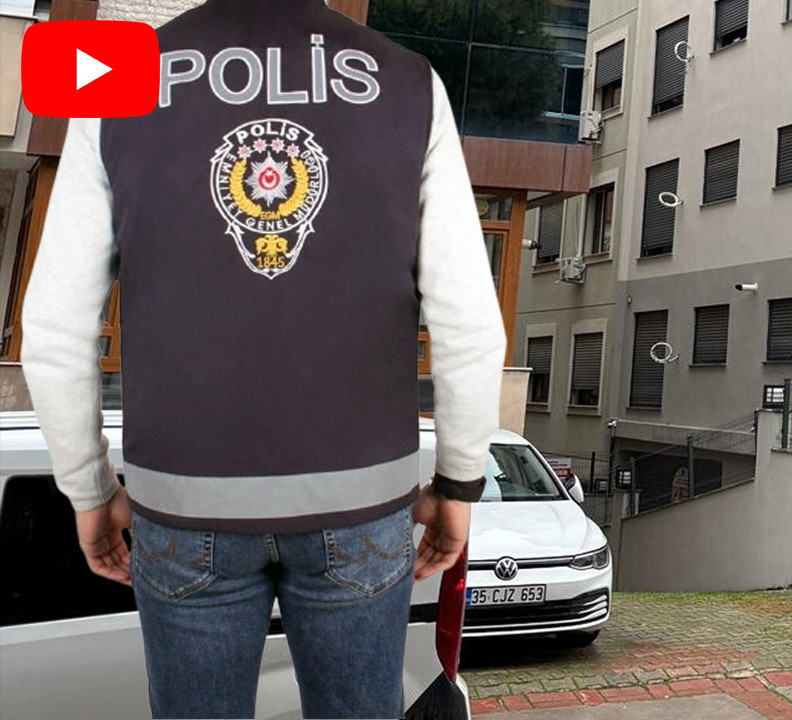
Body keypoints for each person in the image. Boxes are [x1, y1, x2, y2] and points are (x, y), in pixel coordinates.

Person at [19, 0, 507, 716]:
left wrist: (88, 490)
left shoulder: (116, 81)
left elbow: (54, 326)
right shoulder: (408, 80)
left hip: (184, 501)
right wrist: (458, 484)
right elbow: (468, 321)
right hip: (361, 503)